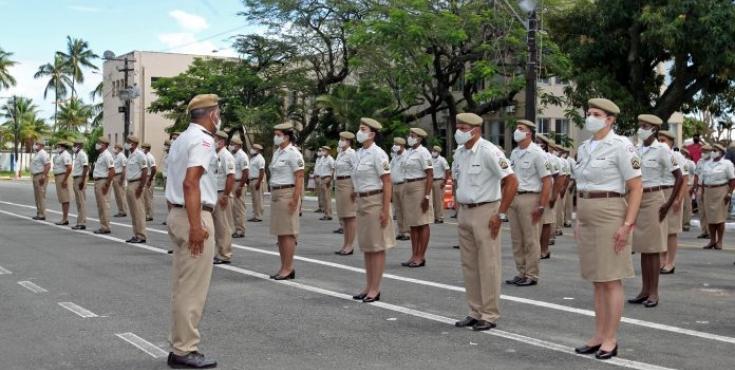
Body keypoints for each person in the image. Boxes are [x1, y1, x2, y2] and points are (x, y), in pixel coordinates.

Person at [572, 98, 642, 360]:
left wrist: (627, 224)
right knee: (597, 280)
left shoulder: (621, 146)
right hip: (588, 211)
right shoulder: (585, 146)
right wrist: (579, 217)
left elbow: (636, 188)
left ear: (610, 119)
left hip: (610, 211)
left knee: (611, 279)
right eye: (589, 113)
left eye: (596, 114)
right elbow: (582, 186)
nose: (590, 117)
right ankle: (598, 335)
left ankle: (611, 339)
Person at [164, 94, 219, 369]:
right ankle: (185, 349)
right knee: (192, 289)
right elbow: (190, 183)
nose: (219, 117)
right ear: (211, 114)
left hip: (177, 212)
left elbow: (172, 180)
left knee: (181, 285)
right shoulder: (203, 140)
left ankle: (178, 346)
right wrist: (196, 225)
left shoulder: (180, 140)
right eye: (217, 112)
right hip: (193, 216)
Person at [452, 112, 518, 332]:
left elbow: (511, 182)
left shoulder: (490, 151)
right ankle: (474, 311)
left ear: (475, 130)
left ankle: (489, 314)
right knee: (469, 264)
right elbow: (457, 180)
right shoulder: (459, 153)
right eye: (458, 127)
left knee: (488, 264)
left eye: (463, 128)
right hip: (465, 211)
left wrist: (500, 214)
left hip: (486, 211)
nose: (458, 132)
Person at [628, 116, 680, 309]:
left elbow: (679, 177)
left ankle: (654, 293)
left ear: (655, 130)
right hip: (639, 199)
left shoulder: (662, 150)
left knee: (653, 249)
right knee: (643, 249)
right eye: (640, 126)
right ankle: (644, 290)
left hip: (654, 199)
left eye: (645, 127)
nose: (641, 129)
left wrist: (668, 204)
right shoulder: (637, 150)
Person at [351, 117, 395, 303]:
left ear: (372, 134)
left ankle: (375, 289)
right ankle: (368, 285)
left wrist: (385, 209)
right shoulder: (359, 153)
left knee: (377, 247)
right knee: (367, 246)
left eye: (363, 129)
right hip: (362, 201)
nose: (359, 132)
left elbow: (387, 182)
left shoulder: (379, 154)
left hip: (375, 200)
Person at [506, 119, 551, 287]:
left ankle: (532, 274)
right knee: (517, 239)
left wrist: (541, 205)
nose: (516, 131)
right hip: (515, 198)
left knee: (531, 238)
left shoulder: (538, 153)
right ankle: (521, 271)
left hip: (530, 198)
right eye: (516, 127)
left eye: (520, 128)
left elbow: (547, 181)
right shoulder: (515, 153)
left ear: (529, 133)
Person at [269, 122, 305, 280]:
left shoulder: (293, 153)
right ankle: (283, 266)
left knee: (288, 233)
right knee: (280, 234)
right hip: (276, 193)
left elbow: (299, 177)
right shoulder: (277, 152)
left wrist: (295, 199)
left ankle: (288, 268)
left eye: (278, 135)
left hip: (287, 193)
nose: (276, 137)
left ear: (287, 136)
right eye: (275, 134)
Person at [400, 128, 434, 268]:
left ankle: (421, 256)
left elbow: (430, 174)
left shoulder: (423, 152)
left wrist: (426, 196)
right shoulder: (409, 152)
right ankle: (414, 255)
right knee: (413, 224)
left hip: (420, 187)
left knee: (422, 222)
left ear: (420, 138)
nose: (410, 137)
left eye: (413, 136)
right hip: (409, 187)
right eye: (410, 135)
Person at [658, 131, 687, 275]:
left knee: (671, 232)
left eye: (663, 140)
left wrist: (678, 199)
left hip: (672, 192)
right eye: (659, 140)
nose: (660, 142)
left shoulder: (677, 156)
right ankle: (662, 261)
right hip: (659, 193)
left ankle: (670, 263)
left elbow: (684, 180)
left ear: (671, 142)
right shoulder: (657, 155)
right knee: (661, 230)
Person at [700, 144, 735, 250]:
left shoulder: (727, 164)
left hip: (721, 191)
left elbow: (732, 180)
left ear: (721, 152)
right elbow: (703, 179)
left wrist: (729, 193)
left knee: (719, 218)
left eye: (714, 150)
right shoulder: (707, 163)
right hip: (708, 191)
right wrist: (702, 192)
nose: (712, 152)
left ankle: (719, 241)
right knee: (710, 218)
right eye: (712, 150)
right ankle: (712, 240)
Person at [212, 131, 236, 265]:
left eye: (214, 139)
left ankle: (225, 254)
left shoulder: (226, 156)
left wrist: (226, 195)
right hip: (214, 192)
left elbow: (231, 176)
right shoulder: (216, 155)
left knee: (223, 225)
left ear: (221, 141)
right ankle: (219, 252)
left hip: (222, 193)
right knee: (217, 226)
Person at [535, 134, 560, 259]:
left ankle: (544, 250)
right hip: (533, 192)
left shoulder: (551, 158)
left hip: (546, 190)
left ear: (544, 145)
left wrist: (554, 196)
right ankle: (535, 250)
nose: (536, 143)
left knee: (546, 222)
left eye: (538, 142)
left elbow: (558, 177)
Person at [334, 132, 358, 255]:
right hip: (339, 184)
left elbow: (355, 171)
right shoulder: (340, 153)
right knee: (344, 216)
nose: (340, 141)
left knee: (350, 216)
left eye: (343, 139)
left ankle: (350, 245)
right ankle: (345, 243)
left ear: (349, 141)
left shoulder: (352, 154)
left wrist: (355, 188)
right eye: (340, 139)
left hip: (348, 183)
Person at [124, 136, 149, 244]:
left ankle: (141, 235)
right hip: (130, 184)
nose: (127, 143)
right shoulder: (131, 155)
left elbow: (145, 171)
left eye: (128, 142)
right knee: (133, 211)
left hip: (136, 184)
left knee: (138, 211)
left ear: (133, 143)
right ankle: (136, 234)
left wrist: (140, 187)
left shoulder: (140, 155)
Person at [92, 137, 116, 235]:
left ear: (104, 144)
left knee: (104, 205)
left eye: (99, 142)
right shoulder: (101, 155)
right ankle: (103, 226)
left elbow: (112, 170)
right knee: (100, 205)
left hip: (103, 181)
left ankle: (105, 227)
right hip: (98, 181)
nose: (97, 144)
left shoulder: (107, 155)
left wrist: (107, 184)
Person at [390, 137, 409, 241]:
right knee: (397, 209)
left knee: (405, 208)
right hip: (395, 184)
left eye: (396, 144)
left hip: (403, 184)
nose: (394, 146)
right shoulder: (395, 157)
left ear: (401, 145)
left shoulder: (407, 156)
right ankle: (401, 231)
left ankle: (406, 232)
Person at [230, 136, 249, 238]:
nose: (230, 146)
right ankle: (236, 228)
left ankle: (240, 230)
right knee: (234, 208)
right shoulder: (233, 155)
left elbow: (245, 172)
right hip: (233, 183)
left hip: (238, 183)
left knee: (239, 208)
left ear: (238, 145)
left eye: (232, 144)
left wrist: (240, 187)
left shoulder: (242, 156)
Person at [52, 141, 73, 225]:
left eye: (59, 146)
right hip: (59, 176)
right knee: (62, 198)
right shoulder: (59, 155)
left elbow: (69, 168)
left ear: (63, 147)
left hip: (63, 176)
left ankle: (65, 218)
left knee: (65, 198)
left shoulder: (65, 155)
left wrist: (64, 180)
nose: (57, 148)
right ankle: (64, 218)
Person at [70, 139, 89, 230]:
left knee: (81, 201)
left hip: (79, 179)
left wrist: (82, 180)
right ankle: (80, 221)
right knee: (78, 201)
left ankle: (82, 222)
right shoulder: (77, 155)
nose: (73, 146)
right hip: (76, 178)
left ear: (80, 146)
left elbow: (85, 167)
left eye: (75, 145)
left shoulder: (82, 154)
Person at [553, 143, 571, 237]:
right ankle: (553, 228)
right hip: (553, 187)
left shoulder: (564, 161)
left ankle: (558, 228)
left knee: (559, 209)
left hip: (560, 187)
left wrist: (563, 188)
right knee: (554, 210)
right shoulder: (551, 159)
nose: (557, 151)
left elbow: (567, 176)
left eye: (559, 150)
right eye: (556, 149)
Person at [30, 141, 51, 220]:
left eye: (37, 144)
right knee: (37, 196)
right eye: (35, 144)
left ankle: (42, 214)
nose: (35, 145)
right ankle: (39, 213)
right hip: (36, 176)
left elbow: (48, 165)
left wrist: (43, 176)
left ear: (42, 145)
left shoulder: (43, 153)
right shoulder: (37, 153)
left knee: (41, 196)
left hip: (40, 175)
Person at [431, 146, 451, 224]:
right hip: (431, 181)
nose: (433, 152)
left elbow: (447, 171)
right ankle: (434, 217)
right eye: (433, 150)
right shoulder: (430, 159)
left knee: (438, 201)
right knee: (432, 201)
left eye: (435, 151)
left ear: (439, 152)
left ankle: (439, 217)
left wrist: (444, 182)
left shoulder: (442, 160)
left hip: (439, 181)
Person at [248, 144, 266, 222]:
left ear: (258, 150)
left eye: (254, 148)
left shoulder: (260, 159)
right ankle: (255, 214)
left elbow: (262, 171)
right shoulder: (252, 158)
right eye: (252, 148)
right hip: (252, 180)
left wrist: (259, 182)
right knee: (254, 199)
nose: (252, 149)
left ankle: (258, 216)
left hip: (257, 180)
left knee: (258, 199)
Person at [680, 148, 696, 232]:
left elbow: (694, 174)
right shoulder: (678, 161)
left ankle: (686, 224)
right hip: (678, 185)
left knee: (687, 205)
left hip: (687, 185)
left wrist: (692, 186)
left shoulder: (690, 163)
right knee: (680, 205)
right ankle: (680, 223)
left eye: (682, 152)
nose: (681, 153)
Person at [318, 146, 335, 221]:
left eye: (324, 150)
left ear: (328, 151)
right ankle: (325, 214)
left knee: (327, 198)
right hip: (322, 178)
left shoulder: (330, 159)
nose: (323, 151)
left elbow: (333, 169)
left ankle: (329, 215)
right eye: (322, 150)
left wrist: (330, 180)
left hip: (327, 178)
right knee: (324, 198)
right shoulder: (322, 158)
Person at [142, 143, 157, 222]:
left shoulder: (150, 157)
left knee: (148, 197)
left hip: (149, 177)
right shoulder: (143, 156)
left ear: (147, 149)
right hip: (145, 177)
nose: (142, 149)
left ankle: (149, 215)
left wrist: (150, 180)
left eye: (143, 148)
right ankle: (146, 214)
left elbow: (154, 169)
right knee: (145, 197)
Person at [112, 144, 128, 217]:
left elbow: (124, 168)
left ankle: (123, 211)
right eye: (114, 148)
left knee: (121, 195)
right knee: (117, 195)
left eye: (116, 148)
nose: (114, 149)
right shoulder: (116, 157)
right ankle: (120, 210)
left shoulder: (122, 156)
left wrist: (122, 179)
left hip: (119, 176)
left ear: (120, 149)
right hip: (115, 176)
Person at [563, 147, 576, 228]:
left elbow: (576, 173)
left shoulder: (571, 160)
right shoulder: (560, 159)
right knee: (563, 203)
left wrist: (573, 185)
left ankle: (568, 221)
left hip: (570, 181)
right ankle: (562, 219)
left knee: (568, 203)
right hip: (562, 181)